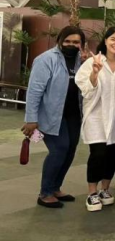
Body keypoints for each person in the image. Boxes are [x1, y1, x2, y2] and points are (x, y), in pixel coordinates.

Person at [22, 26, 86, 208]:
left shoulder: (82, 60)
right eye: (67, 41)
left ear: (82, 44)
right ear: (60, 41)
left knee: (70, 150)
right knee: (59, 149)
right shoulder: (46, 59)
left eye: (76, 42)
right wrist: (31, 119)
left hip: (74, 115)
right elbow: (34, 91)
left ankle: (55, 187)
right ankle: (45, 193)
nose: (71, 45)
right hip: (51, 115)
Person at [75, 27, 115, 212]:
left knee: (113, 155)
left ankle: (104, 189)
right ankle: (92, 192)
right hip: (96, 115)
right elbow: (85, 88)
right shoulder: (93, 61)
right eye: (113, 39)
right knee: (98, 154)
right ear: (105, 41)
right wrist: (95, 73)